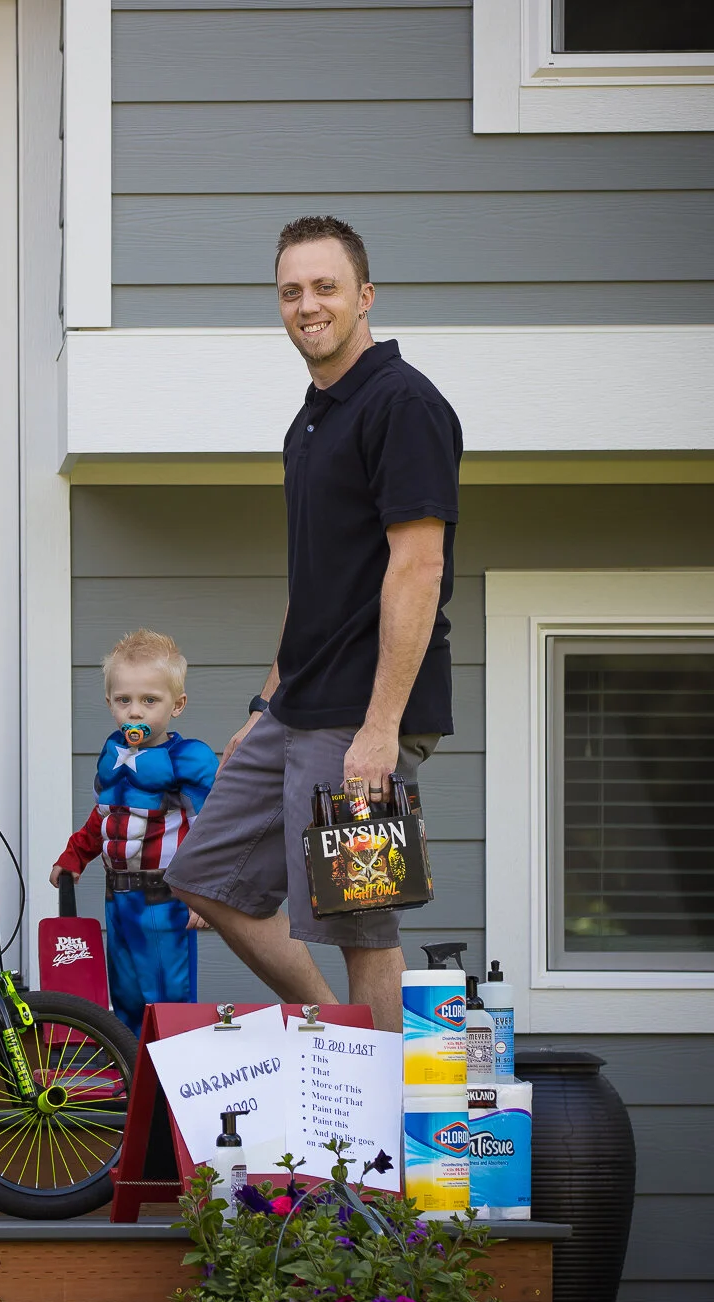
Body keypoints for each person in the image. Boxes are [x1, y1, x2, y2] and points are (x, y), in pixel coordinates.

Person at [164, 216, 461, 1034]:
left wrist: (380, 728)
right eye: (291, 291)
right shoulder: (311, 421)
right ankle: (339, 1032)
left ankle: (382, 1097)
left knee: (362, 923)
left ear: (365, 296)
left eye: (326, 287)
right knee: (203, 875)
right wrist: (265, 704)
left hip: (363, 710)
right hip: (300, 703)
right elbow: (312, 583)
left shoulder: (403, 404)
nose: (308, 305)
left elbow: (419, 568)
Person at [48, 629, 218, 1035]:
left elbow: (212, 827)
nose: (135, 712)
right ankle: (130, 1069)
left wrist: (209, 893)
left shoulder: (187, 759)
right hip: (118, 897)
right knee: (124, 996)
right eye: (123, 700)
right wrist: (75, 855)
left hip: (164, 899)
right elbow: (105, 816)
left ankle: (168, 1075)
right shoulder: (112, 753)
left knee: (167, 998)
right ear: (109, 702)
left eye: (150, 700)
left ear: (177, 705)